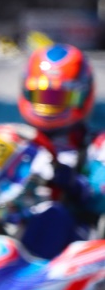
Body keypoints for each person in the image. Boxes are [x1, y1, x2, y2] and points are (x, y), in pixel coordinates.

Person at [12, 43, 105, 259]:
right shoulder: (16, 141)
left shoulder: (95, 145)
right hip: (14, 227)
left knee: (53, 217)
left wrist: (74, 184)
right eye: (42, 96)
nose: (49, 105)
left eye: (58, 98)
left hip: (75, 243)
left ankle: (27, 273)